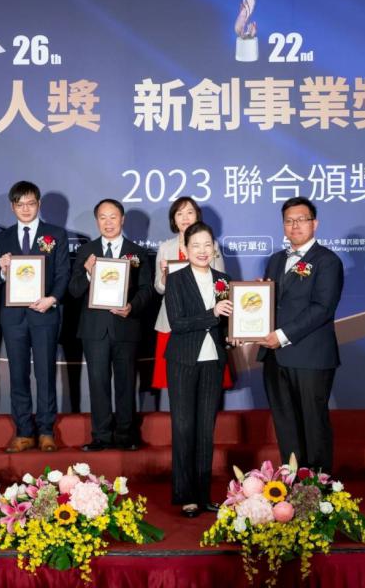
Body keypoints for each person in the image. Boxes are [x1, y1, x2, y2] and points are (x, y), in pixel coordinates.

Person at [256, 197, 343, 473]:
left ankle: (318, 487)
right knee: (286, 426)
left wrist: (282, 335)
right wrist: (258, 298)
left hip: (310, 357)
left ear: (314, 224)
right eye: (289, 221)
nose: (295, 225)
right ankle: (293, 483)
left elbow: (322, 308)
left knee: (313, 424)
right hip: (275, 357)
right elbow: (273, 303)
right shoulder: (275, 260)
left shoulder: (327, 261)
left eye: (301, 220)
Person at [0, 181, 70, 453]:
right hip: (13, 318)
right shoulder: (3, 238)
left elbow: (63, 274)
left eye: (30, 203)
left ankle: (46, 431)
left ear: (39, 204)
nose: (25, 209)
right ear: (12, 207)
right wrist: (1, 270)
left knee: (45, 374)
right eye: (20, 204)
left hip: (44, 313)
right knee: (18, 374)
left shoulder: (55, 234)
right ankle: (24, 431)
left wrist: (52, 299)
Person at [68, 199, 152, 451]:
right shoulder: (87, 251)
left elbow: (147, 289)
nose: (108, 222)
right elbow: (73, 290)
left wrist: (132, 306)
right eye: (103, 217)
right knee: (98, 383)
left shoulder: (136, 252)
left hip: (126, 326)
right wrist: (87, 272)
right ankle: (101, 436)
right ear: (97, 221)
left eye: (113, 217)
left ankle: (126, 435)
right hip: (94, 330)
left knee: (126, 383)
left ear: (122, 219)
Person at [164, 222, 231, 518]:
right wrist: (212, 314)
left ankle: (203, 495)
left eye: (207, 245)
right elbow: (177, 323)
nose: (202, 251)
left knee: (206, 429)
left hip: (212, 361)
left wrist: (235, 332)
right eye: (196, 245)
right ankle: (186, 495)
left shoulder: (223, 280)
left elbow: (226, 321)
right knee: (183, 428)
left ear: (214, 247)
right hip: (183, 360)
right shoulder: (176, 279)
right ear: (185, 249)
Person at [152, 197, 230, 390]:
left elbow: (221, 285)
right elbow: (159, 288)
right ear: (173, 219)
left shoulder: (212, 246)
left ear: (197, 216)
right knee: (178, 382)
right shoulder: (165, 248)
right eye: (179, 213)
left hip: (206, 318)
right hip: (173, 320)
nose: (185, 218)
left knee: (207, 384)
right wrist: (165, 277)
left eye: (189, 212)